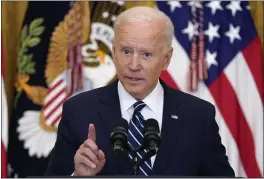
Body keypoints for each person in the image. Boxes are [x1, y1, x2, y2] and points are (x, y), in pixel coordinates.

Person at [45, 6, 235, 177]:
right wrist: (78, 177)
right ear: (113, 51)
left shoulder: (198, 116)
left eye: (146, 54)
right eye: (126, 51)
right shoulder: (78, 110)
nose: (133, 65)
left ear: (166, 59)